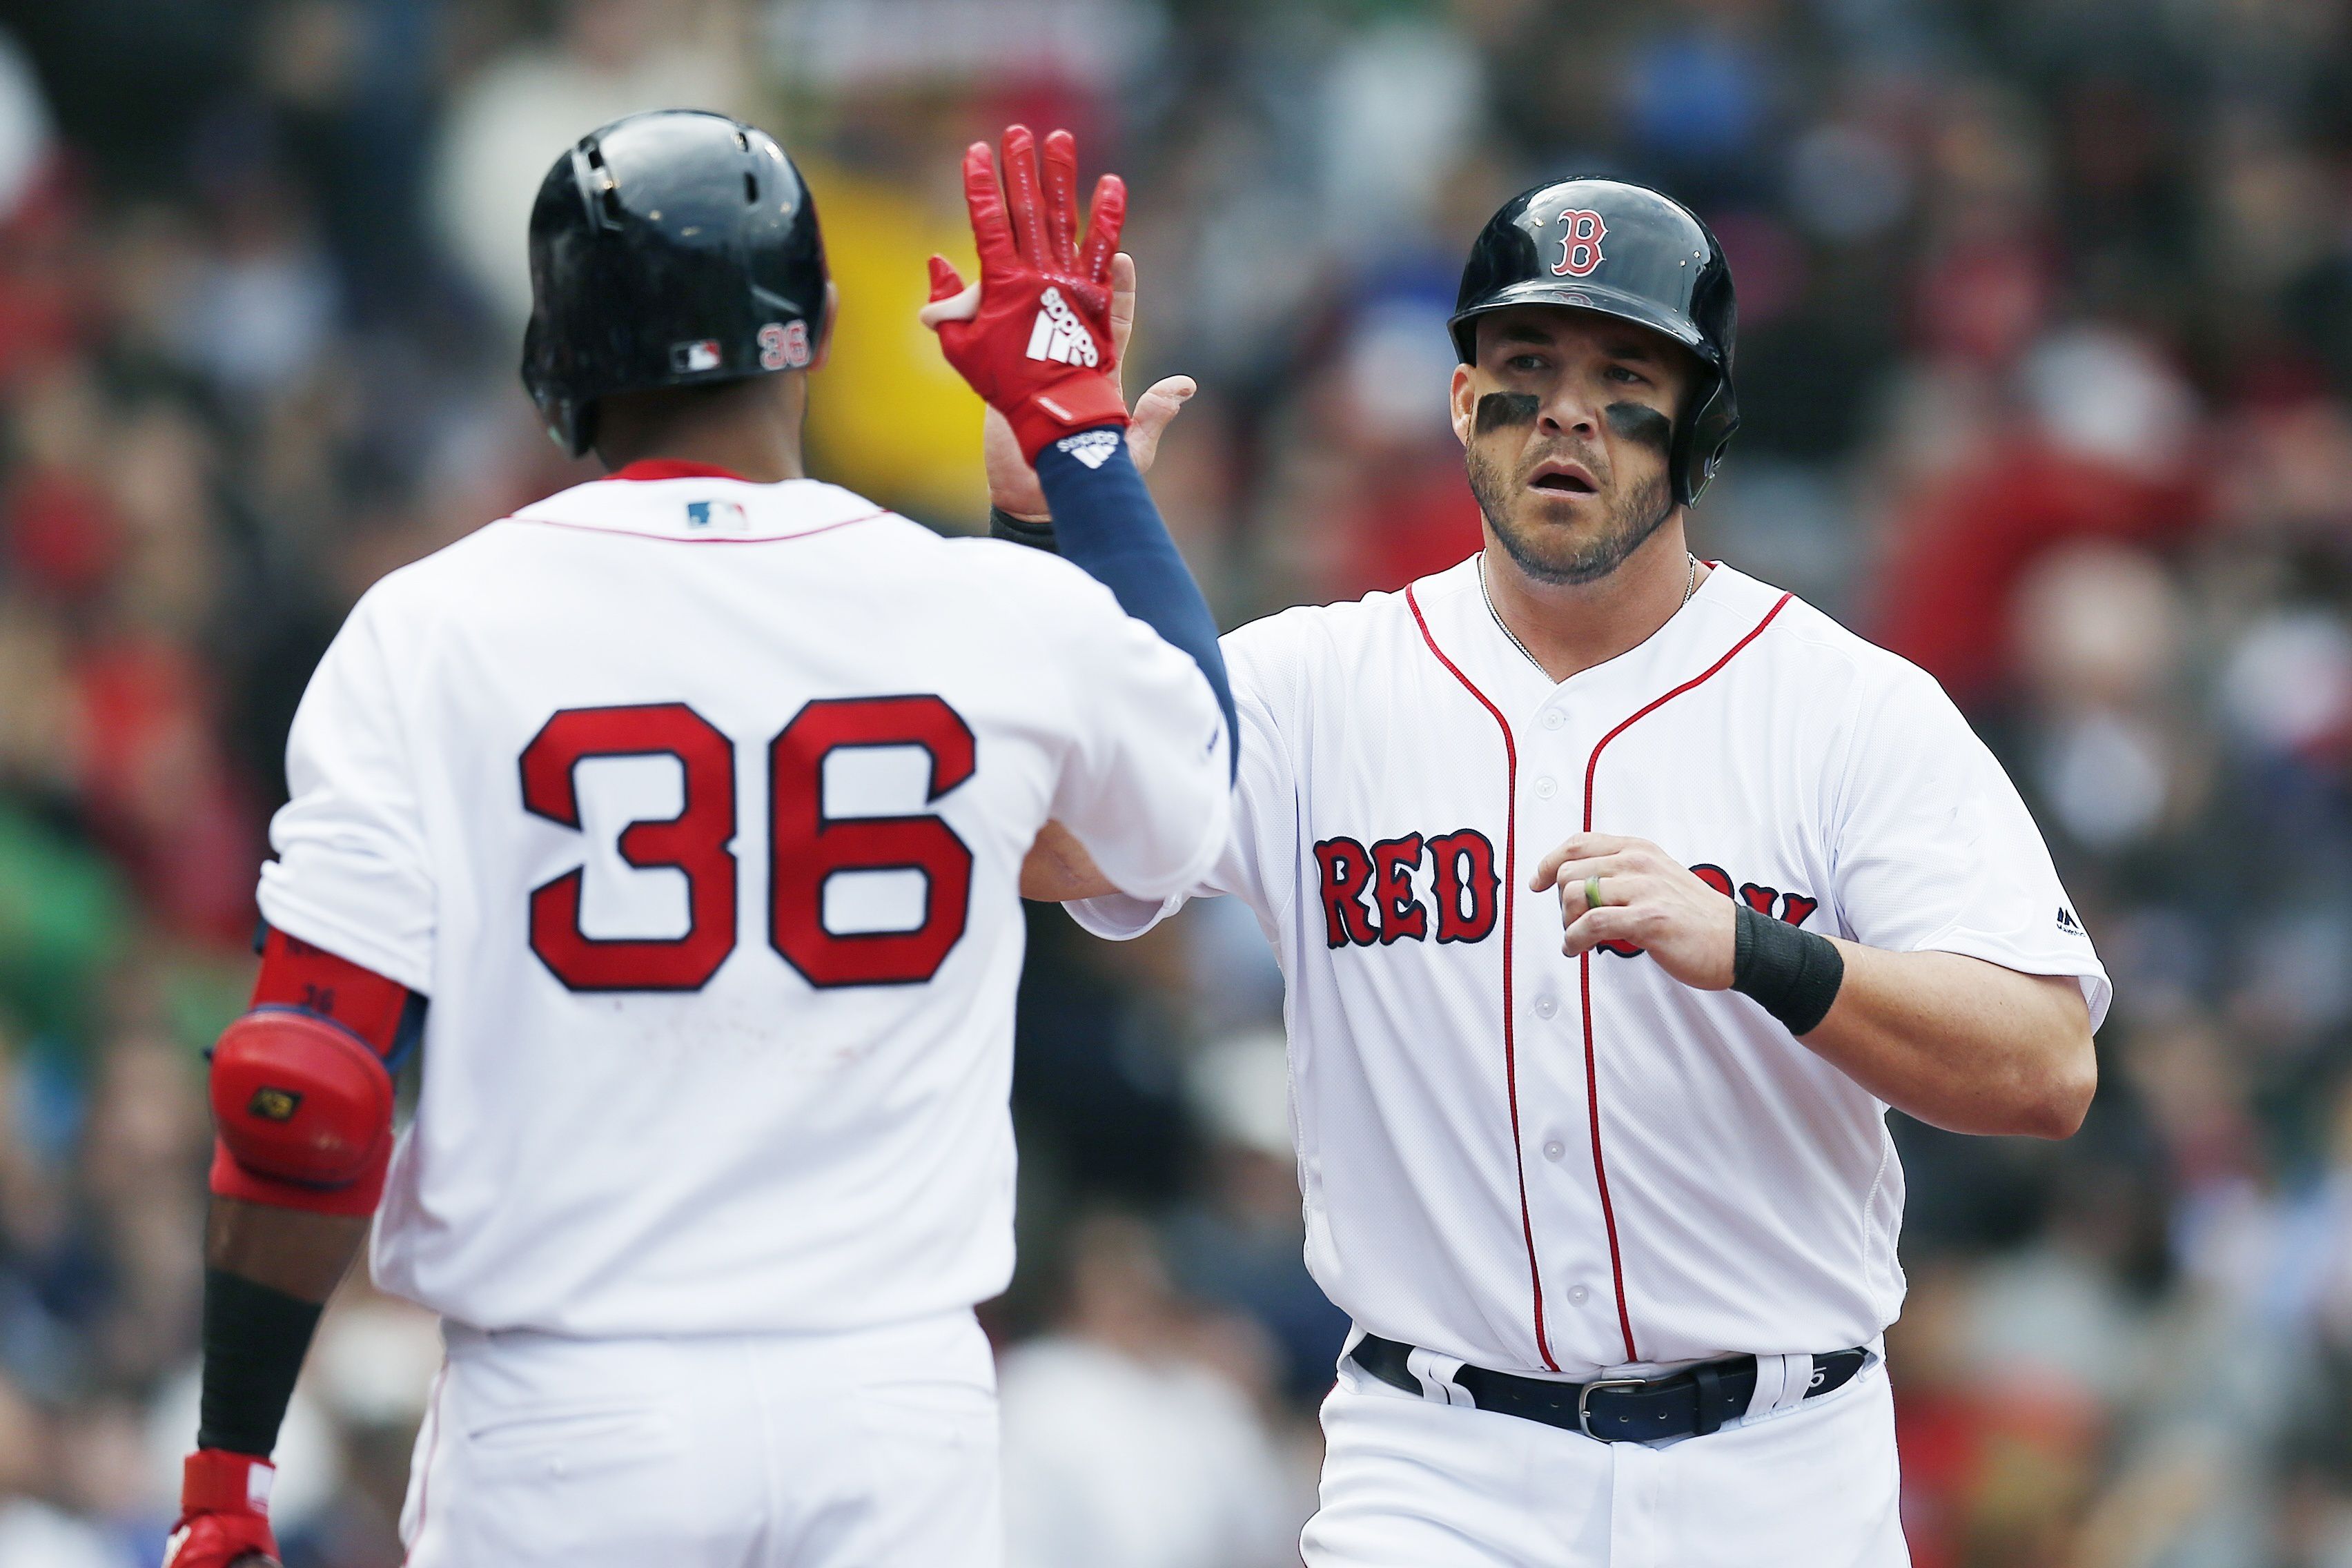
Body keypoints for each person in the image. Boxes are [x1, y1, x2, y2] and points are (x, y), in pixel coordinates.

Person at [160, 112, 1232, 1568]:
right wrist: (1077, 452)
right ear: (825, 327)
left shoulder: (432, 628)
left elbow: (310, 1089)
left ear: (556, 352)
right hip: (891, 1410)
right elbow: (1188, 792)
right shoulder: (984, 608)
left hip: (574, 1413)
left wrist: (228, 1471)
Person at [1024, 177, 2108, 1564]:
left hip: (1779, 1472)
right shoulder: (1313, 684)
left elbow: (2044, 1065)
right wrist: (1054, 518)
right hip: (1442, 1466)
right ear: (1463, 401)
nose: (1568, 414)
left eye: (1623, 374)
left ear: (1702, 422)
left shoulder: (1845, 705)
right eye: (1526, 371)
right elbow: (1055, 844)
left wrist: (1758, 949)